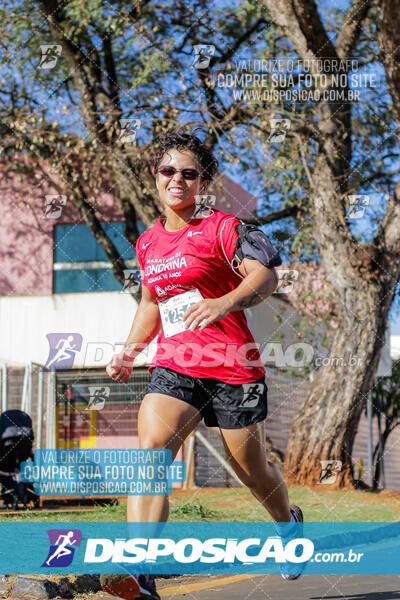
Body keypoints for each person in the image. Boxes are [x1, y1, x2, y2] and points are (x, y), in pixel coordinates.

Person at [103, 130, 304, 600]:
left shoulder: (224, 228)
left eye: (189, 173)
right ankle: (140, 571)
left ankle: (287, 525)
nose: (178, 179)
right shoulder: (148, 242)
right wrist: (130, 351)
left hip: (234, 368)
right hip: (176, 366)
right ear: (155, 178)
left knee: (251, 470)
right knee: (151, 452)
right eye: (168, 170)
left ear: (204, 181)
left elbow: (266, 275)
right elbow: (151, 303)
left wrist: (225, 302)